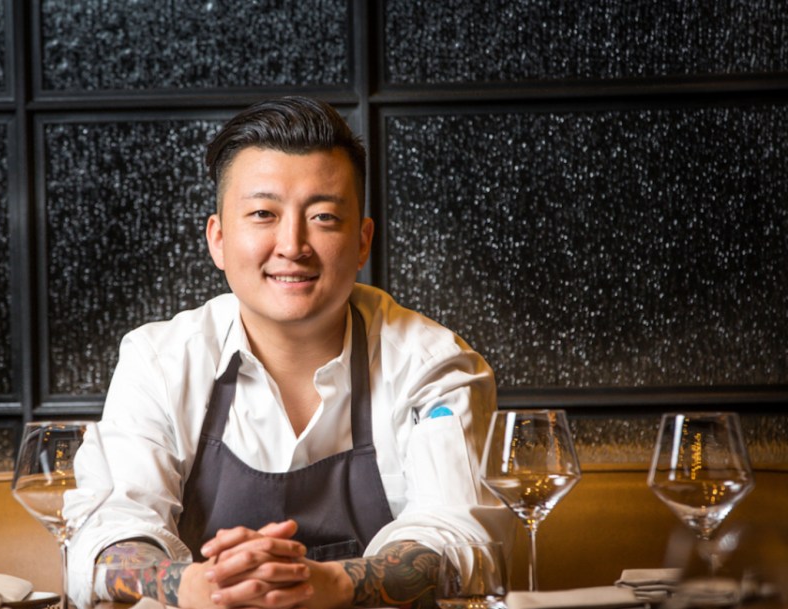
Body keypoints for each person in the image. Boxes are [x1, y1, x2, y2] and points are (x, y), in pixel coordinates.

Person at [70, 96, 510, 609]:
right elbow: (107, 533)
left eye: (324, 216)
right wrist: (192, 585)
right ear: (217, 239)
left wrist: (334, 584)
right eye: (263, 214)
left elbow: (462, 540)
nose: (292, 245)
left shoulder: (431, 365)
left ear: (363, 241)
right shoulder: (160, 361)